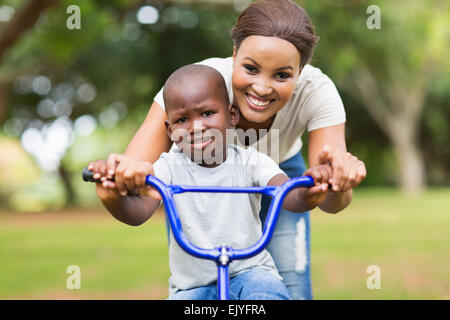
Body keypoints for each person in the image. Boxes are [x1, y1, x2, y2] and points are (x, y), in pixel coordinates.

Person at [92, 0, 367, 300]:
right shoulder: (195, 86)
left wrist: (334, 182)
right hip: (195, 176)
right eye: (250, 68)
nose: (262, 88)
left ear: (302, 70)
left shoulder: (317, 92)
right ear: (234, 55)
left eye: (282, 75)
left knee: (287, 288)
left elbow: (327, 194)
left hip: (281, 175)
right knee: (197, 278)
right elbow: (136, 177)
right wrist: (117, 183)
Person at [89, 64, 334, 300]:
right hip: (191, 287)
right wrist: (112, 198)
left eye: (207, 113)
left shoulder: (251, 162)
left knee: (266, 292)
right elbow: (138, 212)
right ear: (169, 130)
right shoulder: (168, 167)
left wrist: (308, 192)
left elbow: (287, 194)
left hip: (250, 274)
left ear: (232, 115)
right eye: (182, 120)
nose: (196, 127)